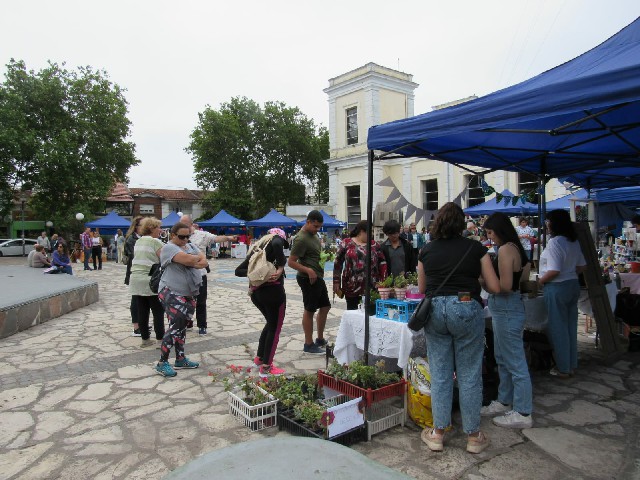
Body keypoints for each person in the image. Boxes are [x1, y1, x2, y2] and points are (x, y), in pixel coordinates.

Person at [417, 202, 500, 454]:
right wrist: (476, 278)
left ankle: (438, 433)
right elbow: (494, 287)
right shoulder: (476, 249)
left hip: (436, 311)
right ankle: (474, 435)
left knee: (441, 372)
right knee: (469, 374)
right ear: (462, 224)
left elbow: (422, 289)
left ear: (438, 222)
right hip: (466, 307)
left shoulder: (426, 250)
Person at [481, 212, 533, 429]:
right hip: (510, 307)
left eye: (491, 232)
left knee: (515, 361)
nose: (490, 237)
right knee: (503, 357)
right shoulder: (517, 247)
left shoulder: (504, 250)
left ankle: (522, 411)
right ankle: (504, 400)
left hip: (506, 308)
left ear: (499, 230)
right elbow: (524, 276)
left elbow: (503, 286)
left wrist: (483, 280)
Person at [155, 222, 208, 377]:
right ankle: (162, 362)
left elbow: (204, 261)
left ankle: (180, 358)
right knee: (177, 324)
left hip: (189, 292)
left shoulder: (190, 247)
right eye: (181, 236)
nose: (185, 239)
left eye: (188, 236)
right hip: (171, 291)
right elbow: (192, 261)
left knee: (183, 324)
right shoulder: (169, 248)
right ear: (172, 235)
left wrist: (194, 259)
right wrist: (195, 259)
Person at [538, 210, 587, 378]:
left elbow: (554, 270)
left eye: (548, 222)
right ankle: (571, 363)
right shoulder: (573, 241)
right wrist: (569, 271)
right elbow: (582, 266)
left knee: (558, 328)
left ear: (553, 223)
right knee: (570, 326)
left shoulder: (555, 242)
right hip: (572, 285)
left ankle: (563, 367)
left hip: (557, 287)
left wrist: (539, 282)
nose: (546, 225)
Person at [235, 228, 290, 376]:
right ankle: (266, 367)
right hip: (273, 293)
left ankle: (259, 359)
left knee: (270, 325)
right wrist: (279, 267)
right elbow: (278, 243)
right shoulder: (276, 240)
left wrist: (258, 273)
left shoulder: (256, 249)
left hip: (257, 293)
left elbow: (238, 271)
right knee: (275, 328)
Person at [180, 215, 237, 335]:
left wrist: (229, 237)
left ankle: (202, 325)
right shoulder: (177, 235)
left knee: (200, 301)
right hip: (183, 273)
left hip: (199, 273)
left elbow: (215, 239)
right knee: (184, 301)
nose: (182, 226)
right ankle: (187, 321)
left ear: (191, 224)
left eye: (185, 224)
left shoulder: (202, 235)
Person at [287, 210, 330, 355]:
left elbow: (314, 254)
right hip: (307, 278)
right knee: (310, 310)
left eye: (319, 227)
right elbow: (291, 262)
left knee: (325, 307)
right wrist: (308, 270)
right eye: (315, 226)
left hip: (318, 276)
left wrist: (324, 257)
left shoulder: (313, 235)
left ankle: (319, 338)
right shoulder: (301, 239)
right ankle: (308, 343)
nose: (317, 230)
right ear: (308, 222)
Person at [333, 220, 387, 310]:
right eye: (370, 232)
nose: (372, 234)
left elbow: (382, 263)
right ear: (361, 231)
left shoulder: (375, 245)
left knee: (370, 315)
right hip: (351, 287)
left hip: (372, 288)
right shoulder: (346, 243)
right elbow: (337, 263)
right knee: (353, 313)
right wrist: (336, 281)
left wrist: (383, 282)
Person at [130, 217, 166, 348]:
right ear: (151, 228)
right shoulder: (155, 241)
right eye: (158, 227)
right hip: (150, 279)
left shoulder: (138, 241)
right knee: (157, 311)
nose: (160, 230)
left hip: (136, 279)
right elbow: (164, 257)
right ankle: (160, 340)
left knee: (142, 311)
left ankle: (145, 339)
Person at [125, 216, 144, 336]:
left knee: (143, 300)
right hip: (135, 272)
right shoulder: (131, 240)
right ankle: (136, 326)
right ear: (136, 227)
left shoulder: (143, 238)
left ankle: (142, 323)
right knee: (136, 300)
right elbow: (134, 255)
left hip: (144, 273)